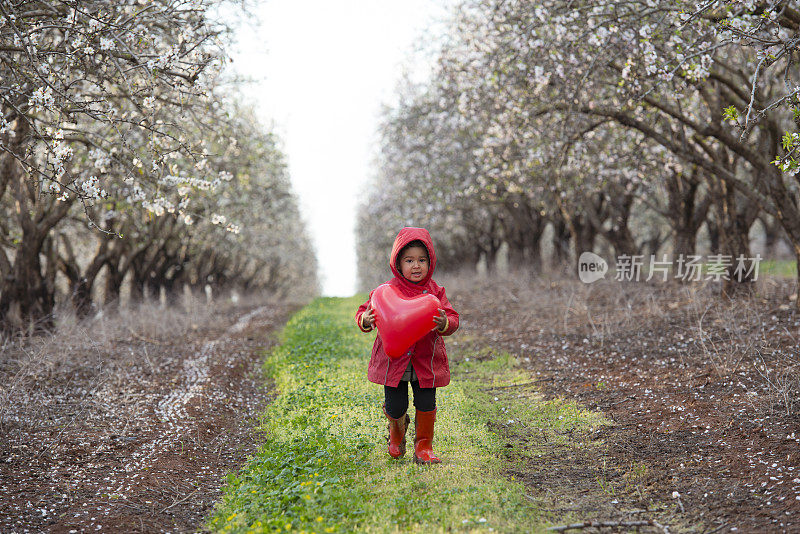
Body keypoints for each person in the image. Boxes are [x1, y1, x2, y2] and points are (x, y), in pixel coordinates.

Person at [355, 227, 459, 464]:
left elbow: (453, 318)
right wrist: (365, 320)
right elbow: (364, 310)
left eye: (422, 260)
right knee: (395, 405)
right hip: (395, 362)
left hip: (424, 361)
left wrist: (444, 323)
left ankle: (423, 446)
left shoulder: (436, 291)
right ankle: (396, 432)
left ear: (430, 262)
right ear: (397, 263)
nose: (416, 266)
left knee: (426, 403)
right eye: (409, 260)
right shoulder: (386, 291)